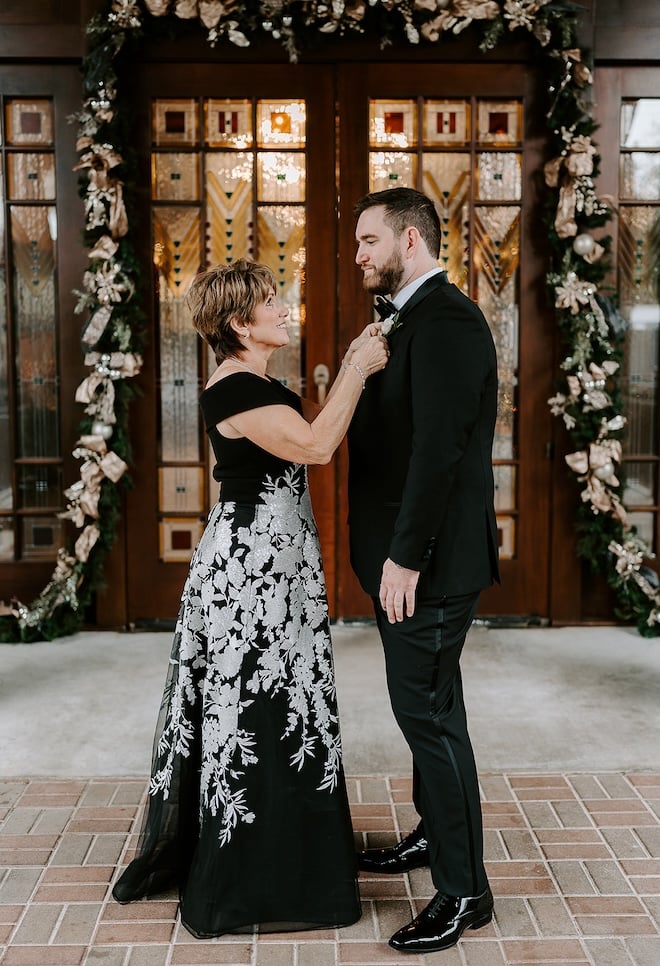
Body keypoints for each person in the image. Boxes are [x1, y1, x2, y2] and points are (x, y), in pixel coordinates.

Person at [112, 259, 388, 938]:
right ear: (239, 323)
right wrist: (356, 366)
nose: (285, 309)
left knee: (288, 709)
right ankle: (251, 881)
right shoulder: (233, 388)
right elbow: (318, 446)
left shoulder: (255, 380)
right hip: (251, 578)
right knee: (258, 709)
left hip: (278, 570)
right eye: (272, 303)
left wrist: (355, 360)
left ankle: (291, 856)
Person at [348, 187, 500, 954]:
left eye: (369, 241)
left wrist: (404, 557)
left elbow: (440, 452)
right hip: (408, 561)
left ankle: (465, 890)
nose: (358, 255)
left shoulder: (446, 322)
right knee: (432, 708)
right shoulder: (408, 316)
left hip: (429, 566)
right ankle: (432, 835)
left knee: (428, 717)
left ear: (411, 240)